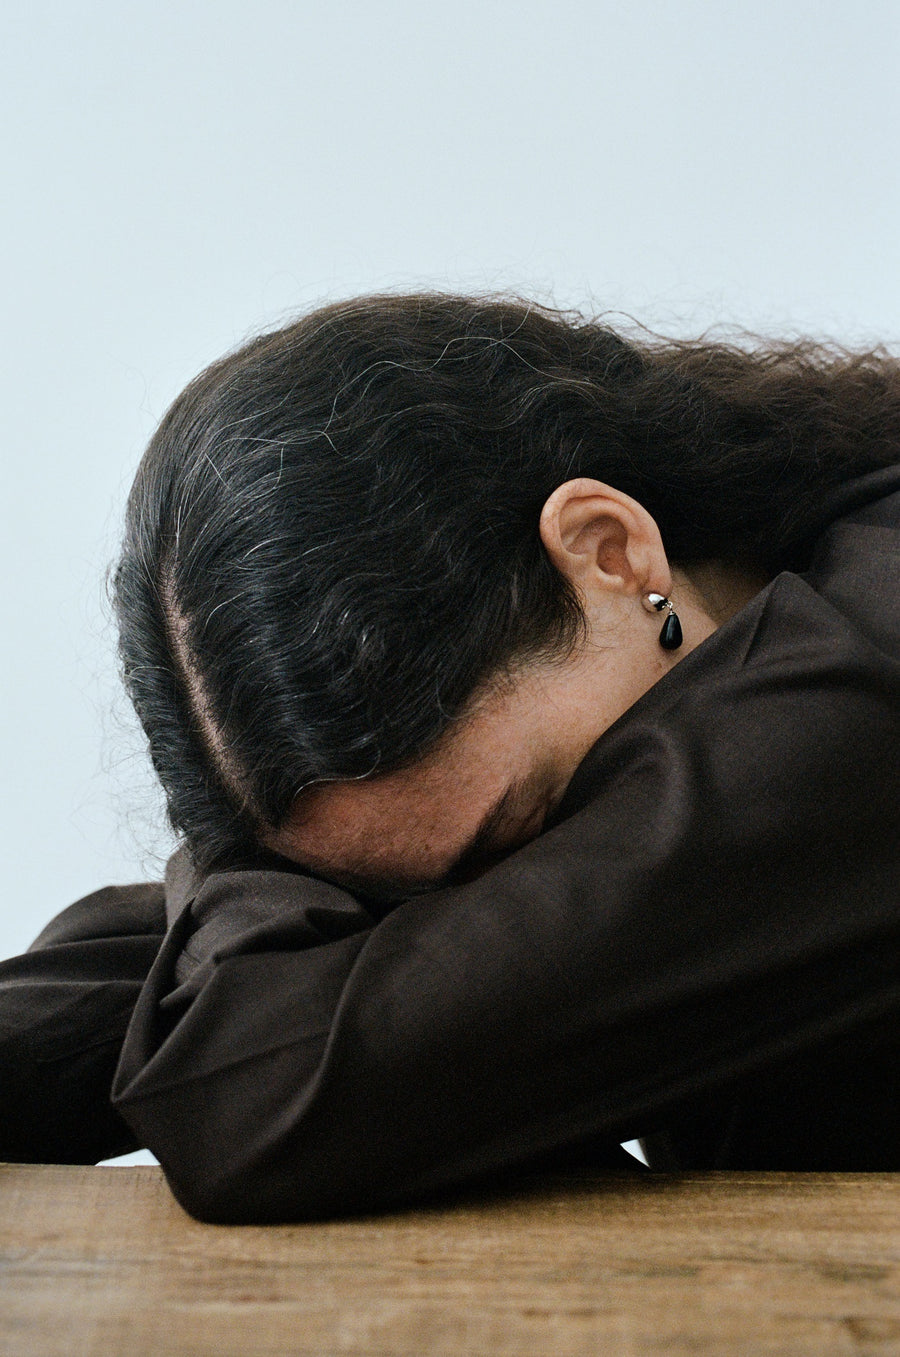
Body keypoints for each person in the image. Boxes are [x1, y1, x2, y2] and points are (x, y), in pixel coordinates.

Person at [1, 295, 898, 1221]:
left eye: (516, 826)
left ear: (613, 552)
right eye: (389, 901)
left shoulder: (866, 701)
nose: (482, 915)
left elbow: (245, 1082)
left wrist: (238, 870)